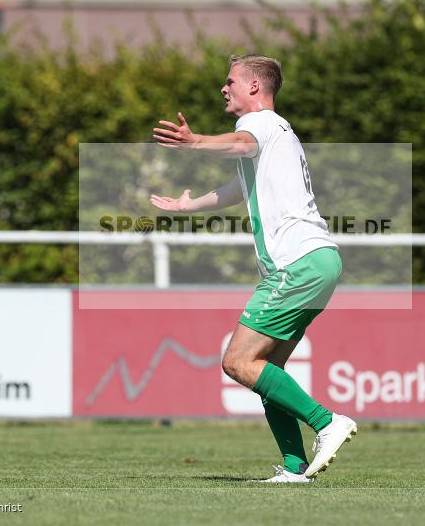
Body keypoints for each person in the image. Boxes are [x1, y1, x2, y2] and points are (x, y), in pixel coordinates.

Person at [150, 54, 356, 483]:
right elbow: (236, 190)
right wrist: (189, 205)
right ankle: (295, 468)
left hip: (297, 263)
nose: (224, 89)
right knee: (266, 369)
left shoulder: (258, 124)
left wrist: (195, 142)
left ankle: (326, 422)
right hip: (319, 262)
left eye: (230, 82)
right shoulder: (278, 133)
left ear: (255, 88)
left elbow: (241, 144)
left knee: (238, 361)